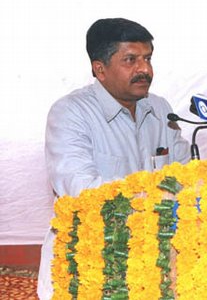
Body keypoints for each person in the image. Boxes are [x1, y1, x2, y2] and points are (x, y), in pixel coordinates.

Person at [37, 18, 191, 299]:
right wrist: (156, 199)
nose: (144, 69)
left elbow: (185, 173)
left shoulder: (160, 109)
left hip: (154, 265)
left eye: (147, 58)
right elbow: (81, 189)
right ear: (100, 69)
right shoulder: (70, 113)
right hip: (91, 265)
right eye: (130, 60)